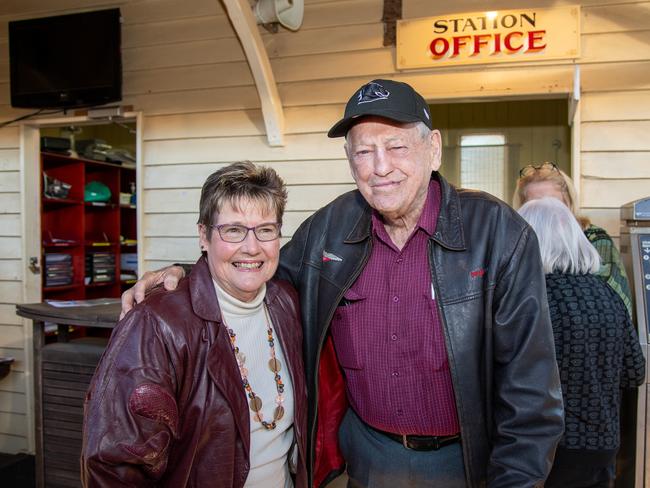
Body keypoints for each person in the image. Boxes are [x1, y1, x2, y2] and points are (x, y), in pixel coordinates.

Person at [122, 79, 564, 487]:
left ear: (433, 149)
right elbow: (256, 267)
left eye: (395, 146)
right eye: (363, 152)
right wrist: (186, 269)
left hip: (466, 463)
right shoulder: (329, 229)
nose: (380, 167)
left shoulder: (498, 233)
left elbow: (531, 393)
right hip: (366, 456)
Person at [81, 162, 308, 487]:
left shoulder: (286, 301)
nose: (252, 246)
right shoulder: (156, 323)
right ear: (204, 235)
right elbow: (113, 464)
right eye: (233, 230)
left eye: (266, 229)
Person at [518, 197, 645, 488]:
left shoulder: (534, 299)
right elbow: (635, 371)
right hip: (603, 447)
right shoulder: (607, 294)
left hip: (547, 450)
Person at [513, 161, 633, 318]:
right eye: (536, 203)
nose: (546, 209)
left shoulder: (595, 239)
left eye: (553, 202)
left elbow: (618, 299)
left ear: (568, 203)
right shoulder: (514, 243)